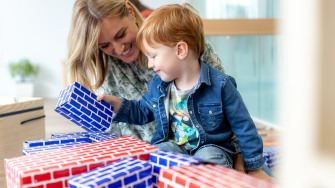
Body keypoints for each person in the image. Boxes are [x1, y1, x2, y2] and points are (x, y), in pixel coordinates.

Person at [96, 3, 275, 184]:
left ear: (180, 50)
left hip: (212, 147)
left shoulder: (220, 85)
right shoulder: (160, 85)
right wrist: (118, 105)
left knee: (208, 159)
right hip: (176, 147)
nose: (150, 65)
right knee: (153, 153)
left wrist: (254, 167)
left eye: (153, 56)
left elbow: (244, 126)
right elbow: (142, 110)